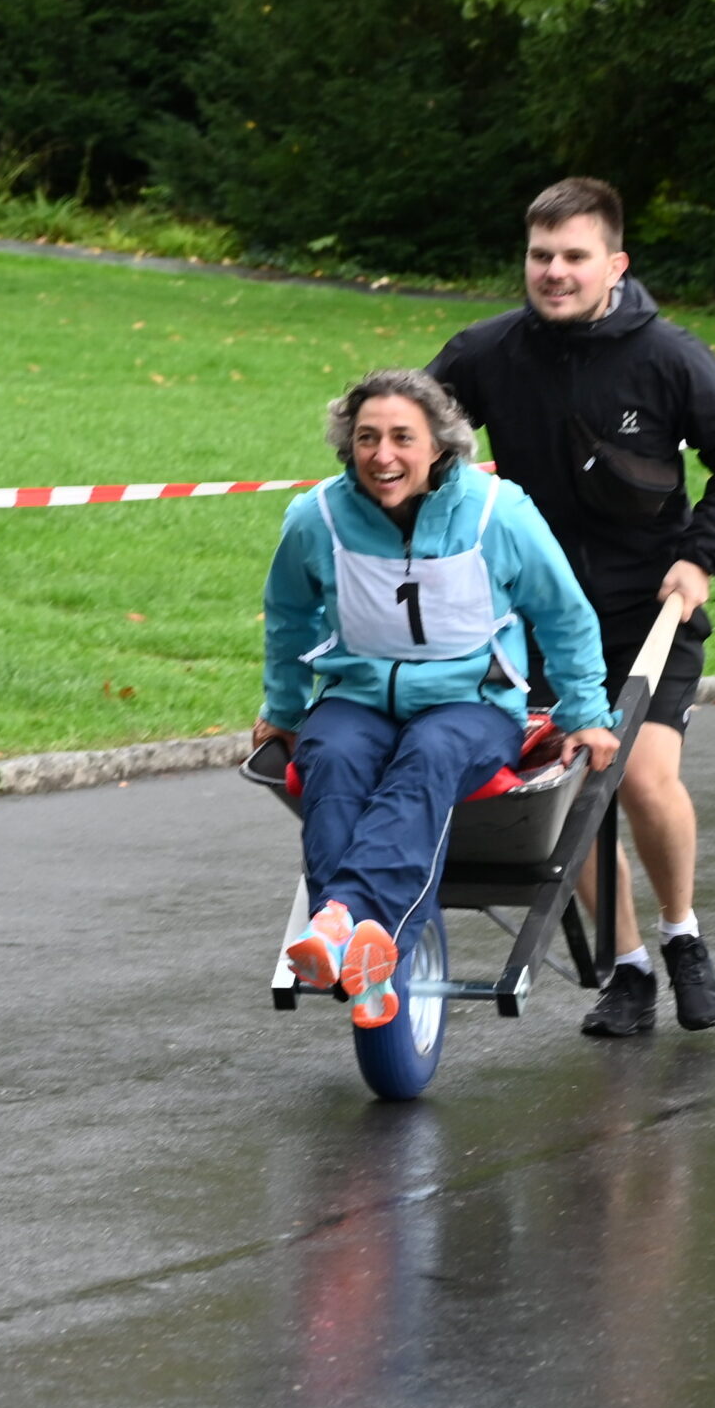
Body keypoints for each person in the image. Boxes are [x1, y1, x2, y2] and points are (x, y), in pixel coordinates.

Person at [429, 178, 715, 1037]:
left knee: (645, 779)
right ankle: (627, 970)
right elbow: (413, 434)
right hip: (540, 616)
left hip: (648, 610)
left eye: (574, 256)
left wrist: (700, 559)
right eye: (541, 256)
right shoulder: (485, 353)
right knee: (576, 796)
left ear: (613, 263)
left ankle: (683, 935)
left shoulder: (668, 356)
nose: (554, 272)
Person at [255, 371, 620, 1028]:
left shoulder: (496, 512)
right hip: (357, 697)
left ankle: (344, 921)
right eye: (366, 438)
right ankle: (362, 950)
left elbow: (563, 613)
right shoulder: (319, 517)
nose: (383, 455)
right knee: (330, 760)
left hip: (470, 706)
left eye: (402, 437)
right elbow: (288, 615)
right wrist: (283, 710)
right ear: (347, 444)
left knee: (427, 755)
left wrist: (586, 713)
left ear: (439, 445)